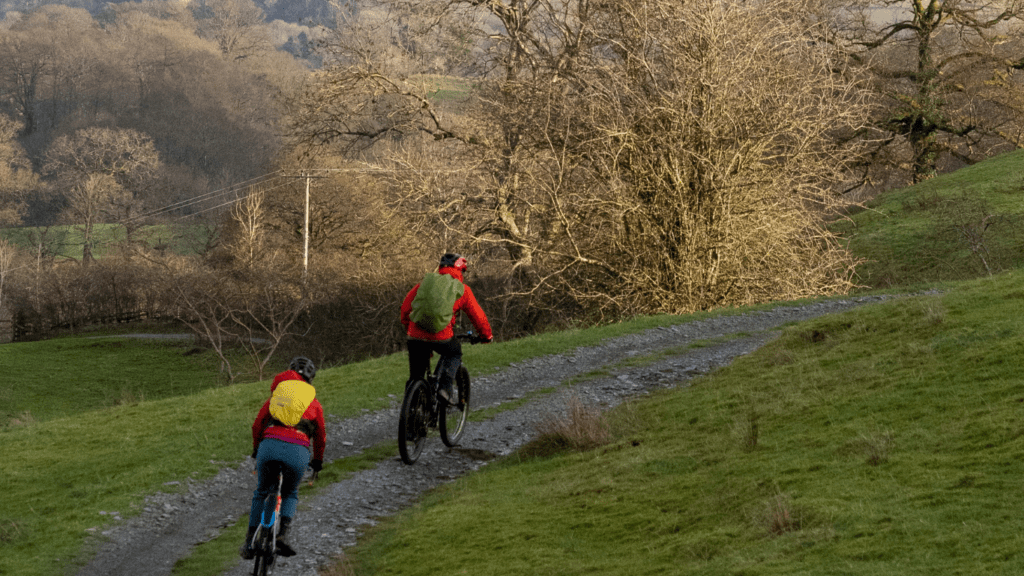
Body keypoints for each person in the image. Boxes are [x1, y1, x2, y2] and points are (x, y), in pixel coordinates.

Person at [239, 356, 325, 560]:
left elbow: (257, 425)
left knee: (261, 491)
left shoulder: (275, 398)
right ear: (310, 381)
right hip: (298, 453)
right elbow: (320, 436)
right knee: (290, 492)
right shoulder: (314, 404)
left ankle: (250, 542)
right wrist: (318, 462)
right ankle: (282, 536)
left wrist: (256, 449)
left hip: (269, 448)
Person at [400, 253, 494, 403]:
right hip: (441, 337)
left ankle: (411, 412)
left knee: (415, 377)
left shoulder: (424, 283)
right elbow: (478, 316)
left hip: (414, 336)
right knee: (454, 352)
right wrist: (486, 335)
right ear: (460, 271)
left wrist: (410, 329)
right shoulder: (462, 289)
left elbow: (405, 310)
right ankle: (445, 388)